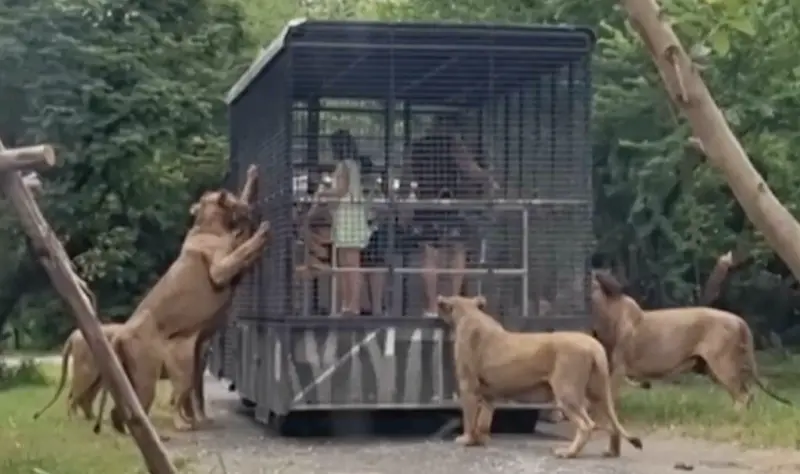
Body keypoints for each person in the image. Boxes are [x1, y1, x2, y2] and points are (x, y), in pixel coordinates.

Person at [405, 114, 497, 318]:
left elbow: (407, 176)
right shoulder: (452, 144)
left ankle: (431, 306)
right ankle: (454, 302)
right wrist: (487, 178)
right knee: (457, 251)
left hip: (426, 202)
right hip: (452, 203)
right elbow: (470, 169)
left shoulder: (418, 147)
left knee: (429, 254)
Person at [313, 129, 372, 317]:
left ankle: (352, 305)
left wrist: (322, 191)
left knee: (351, 263)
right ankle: (348, 304)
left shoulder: (346, 165)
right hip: (347, 215)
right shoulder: (352, 165)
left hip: (349, 215)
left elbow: (341, 190)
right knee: (347, 262)